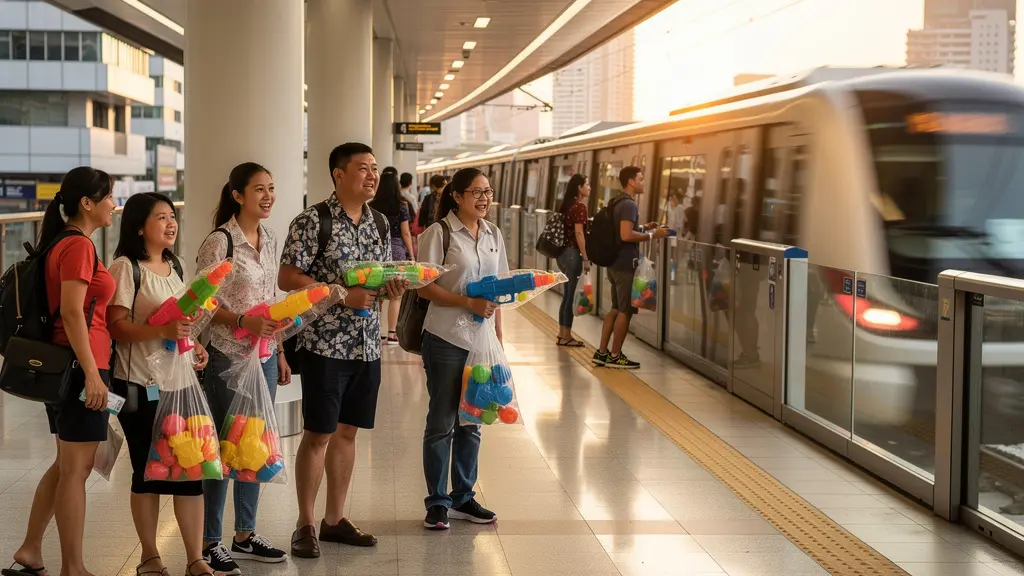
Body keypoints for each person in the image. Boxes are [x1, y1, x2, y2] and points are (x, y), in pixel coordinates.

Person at [279, 142, 407, 558]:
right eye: (362, 169)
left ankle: (334, 519)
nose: (371, 175)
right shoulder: (313, 221)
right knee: (318, 433)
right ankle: (306, 523)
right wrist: (338, 294)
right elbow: (287, 277)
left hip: (367, 346)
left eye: (374, 169)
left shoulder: (381, 223)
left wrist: (392, 287)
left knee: (348, 432)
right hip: (323, 345)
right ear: (338, 174)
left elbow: (381, 275)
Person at [7, 166, 117, 576]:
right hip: (79, 366)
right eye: (108, 196)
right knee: (76, 469)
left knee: (65, 464)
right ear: (87, 203)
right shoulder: (78, 247)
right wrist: (92, 373)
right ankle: (73, 567)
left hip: (70, 365)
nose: (114, 204)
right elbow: (72, 313)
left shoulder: (66, 242)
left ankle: (31, 549)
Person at [107, 193, 218, 576]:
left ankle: (195, 559)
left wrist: (194, 346)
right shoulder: (126, 267)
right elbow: (116, 326)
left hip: (178, 384)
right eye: (161, 218)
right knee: (147, 472)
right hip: (138, 384)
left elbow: (178, 323)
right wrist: (160, 328)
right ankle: (150, 555)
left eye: (172, 217)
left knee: (190, 468)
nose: (171, 224)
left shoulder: (173, 266)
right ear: (140, 226)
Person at [197, 163, 291, 574]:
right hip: (227, 358)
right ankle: (210, 540)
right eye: (259, 190)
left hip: (265, 358)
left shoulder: (269, 237)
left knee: (254, 445)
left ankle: (245, 534)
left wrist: (281, 351)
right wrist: (241, 322)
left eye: (271, 188)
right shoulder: (221, 242)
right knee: (221, 447)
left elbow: (271, 298)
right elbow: (202, 300)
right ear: (237, 195)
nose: (268, 196)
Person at [417, 167, 508, 530]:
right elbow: (423, 287)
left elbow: (499, 287)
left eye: (487, 192)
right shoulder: (438, 232)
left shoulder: (493, 234)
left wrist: (499, 336)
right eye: (476, 192)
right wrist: (466, 303)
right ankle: (437, 501)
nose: (483, 198)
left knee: (474, 419)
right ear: (456, 196)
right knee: (442, 422)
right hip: (445, 338)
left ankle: (463, 496)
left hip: (481, 341)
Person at [593, 166, 669, 370]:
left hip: (614, 263)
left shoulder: (617, 201)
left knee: (615, 308)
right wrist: (654, 235)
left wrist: (644, 228)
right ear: (631, 182)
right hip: (625, 264)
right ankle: (616, 356)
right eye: (641, 179)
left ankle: (602, 352)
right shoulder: (629, 205)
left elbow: (623, 230)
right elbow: (626, 235)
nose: (644, 182)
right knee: (625, 311)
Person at [369, 172, 415, 345]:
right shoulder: (401, 206)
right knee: (396, 293)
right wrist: (411, 254)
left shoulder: (372, 206)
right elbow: (405, 233)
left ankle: (376, 331)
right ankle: (391, 333)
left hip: (376, 250)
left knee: (377, 292)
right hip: (396, 250)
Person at [554, 174, 591, 347]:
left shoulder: (567, 205)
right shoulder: (580, 207)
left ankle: (562, 334)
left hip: (562, 254)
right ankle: (566, 335)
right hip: (573, 254)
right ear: (579, 187)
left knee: (566, 295)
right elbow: (579, 233)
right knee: (569, 296)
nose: (589, 187)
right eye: (587, 184)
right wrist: (585, 258)